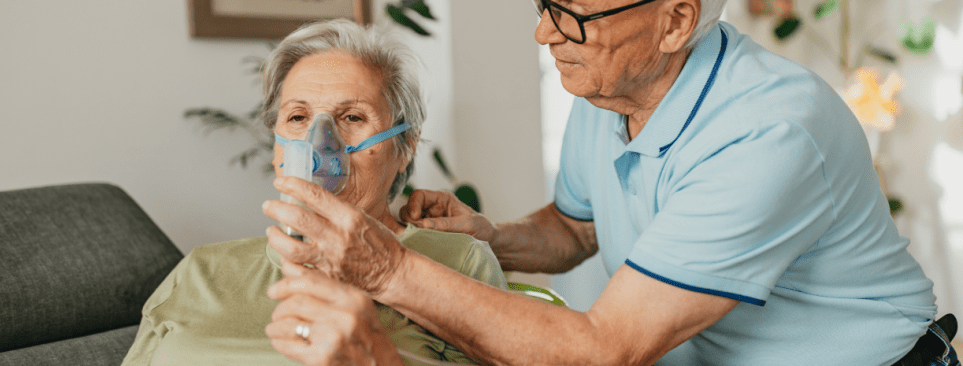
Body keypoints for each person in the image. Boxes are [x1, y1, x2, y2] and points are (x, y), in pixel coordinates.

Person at [263, 0, 960, 365]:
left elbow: (605, 350)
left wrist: (385, 265)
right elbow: (576, 227)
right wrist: (491, 236)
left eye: (573, 14)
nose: (543, 32)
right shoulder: (609, 94)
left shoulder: (770, 131)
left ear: (675, 21)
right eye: (544, 2)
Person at [122, 19, 508, 366]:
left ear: (405, 147)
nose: (319, 141)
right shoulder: (201, 272)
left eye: (352, 117)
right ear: (276, 148)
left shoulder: (457, 265)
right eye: (298, 117)